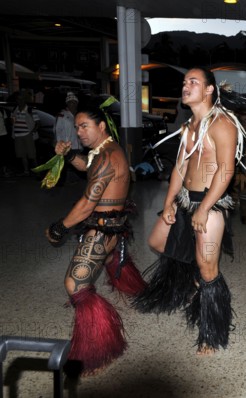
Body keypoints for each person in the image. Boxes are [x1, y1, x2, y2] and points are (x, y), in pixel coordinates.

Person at [134, 67, 246, 356]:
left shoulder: (222, 123)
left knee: (208, 269)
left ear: (209, 90)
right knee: (157, 241)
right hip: (186, 199)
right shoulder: (188, 127)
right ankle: (194, 284)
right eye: (184, 82)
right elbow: (180, 168)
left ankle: (211, 331)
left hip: (211, 203)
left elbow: (226, 170)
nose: (186, 86)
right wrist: (170, 202)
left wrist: (205, 208)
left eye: (193, 82)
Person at [45, 97, 146, 376]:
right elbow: (88, 169)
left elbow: (87, 204)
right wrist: (67, 156)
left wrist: (59, 228)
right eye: (77, 127)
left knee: (74, 284)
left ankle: (99, 348)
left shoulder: (106, 156)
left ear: (101, 125)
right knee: (111, 259)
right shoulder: (107, 150)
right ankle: (133, 288)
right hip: (114, 227)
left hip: (102, 229)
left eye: (84, 126)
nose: (79, 132)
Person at [54, 92, 82, 183]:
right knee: (67, 164)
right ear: (67, 103)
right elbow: (57, 130)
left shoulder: (79, 115)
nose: (72, 104)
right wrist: (60, 144)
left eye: (74, 102)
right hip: (67, 145)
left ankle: (76, 181)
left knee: (78, 164)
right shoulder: (62, 115)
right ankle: (64, 182)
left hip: (78, 145)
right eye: (70, 102)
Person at [11, 91, 40, 176]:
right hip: (17, 136)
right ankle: (26, 171)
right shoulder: (15, 109)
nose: (20, 101)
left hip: (27, 135)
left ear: (25, 100)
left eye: (21, 99)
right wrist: (12, 120)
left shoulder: (30, 110)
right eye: (18, 99)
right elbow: (13, 122)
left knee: (32, 155)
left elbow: (38, 123)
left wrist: (32, 131)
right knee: (22, 155)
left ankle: (38, 172)